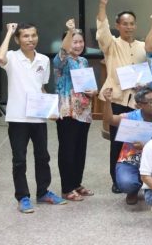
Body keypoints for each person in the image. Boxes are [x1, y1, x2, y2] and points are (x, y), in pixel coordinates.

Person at [0, 22, 65, 213]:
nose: (30, 39)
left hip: (38, 117)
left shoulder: (43, 60)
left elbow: (41, 87)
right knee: (19, 159)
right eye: (25, 36)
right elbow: (0, 57)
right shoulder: (12, 57)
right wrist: (9, 32)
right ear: (18, 39)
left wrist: (51, 109)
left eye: (33, 35)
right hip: (18, 118)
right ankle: (23, 197)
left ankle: (43, 192)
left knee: (43, 156)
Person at [95, 0, 148, 193]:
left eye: (132, 23)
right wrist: (102, 5)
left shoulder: (143, 46)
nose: (129, 27)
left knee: (137, 142)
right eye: (125, 24)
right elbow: (102, 30)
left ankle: (137, 176)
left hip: (138, 102)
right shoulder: (111, 45)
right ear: (118, 26)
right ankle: (116, 180)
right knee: (117, 142)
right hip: (117, 100)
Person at [53, 19, 97, 201]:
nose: (78, 45)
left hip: (84, 112)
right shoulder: (61, 61)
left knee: (80, 149)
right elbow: (63, 51)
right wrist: (70, 30)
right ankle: (67, 188)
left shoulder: (84, 61)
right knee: (68, 150)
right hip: (68, 111)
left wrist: (93, 91)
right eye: (74, 42)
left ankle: (77, 183)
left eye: (80, 41)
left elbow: (89, 84)